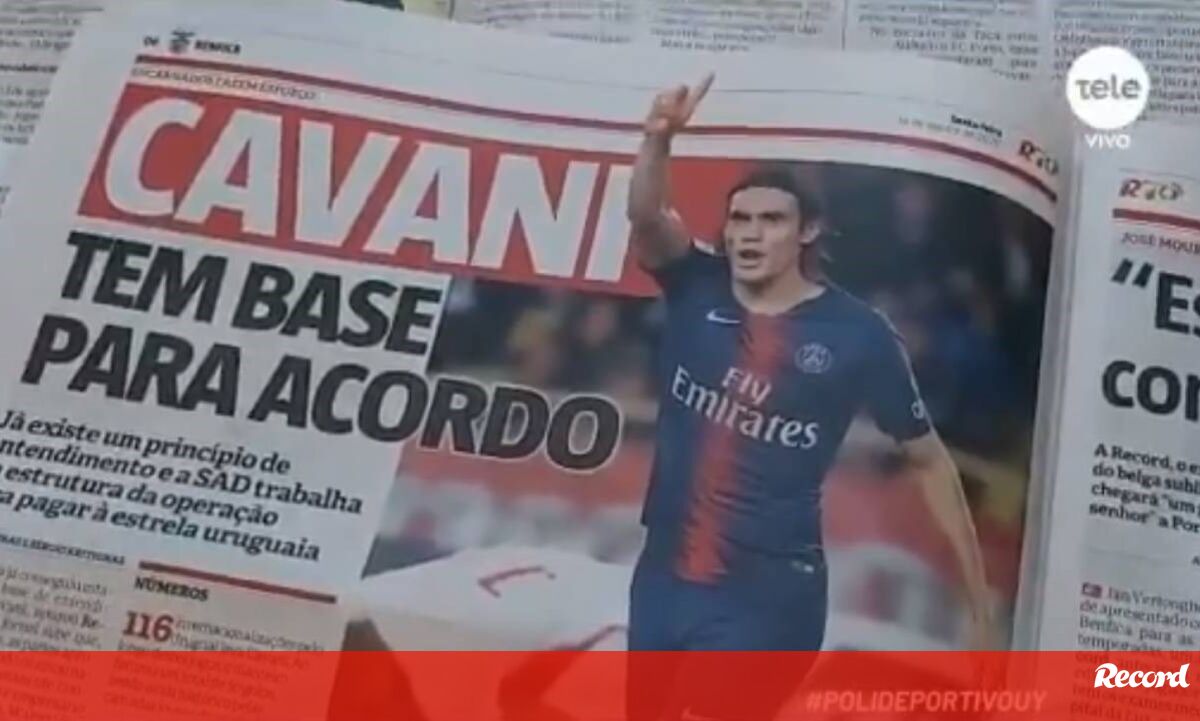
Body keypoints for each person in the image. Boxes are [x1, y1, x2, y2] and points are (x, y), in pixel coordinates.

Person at [623, 74, 994, 718]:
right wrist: (657, 139)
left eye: (771, 220)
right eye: (740, 219)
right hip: (662, 576)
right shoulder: (695, 283)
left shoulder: (859, 336)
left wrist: (978, 605)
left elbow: (930, 459)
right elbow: (647, 217)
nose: (750, 234)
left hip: (767, 600)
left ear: (807, 231)